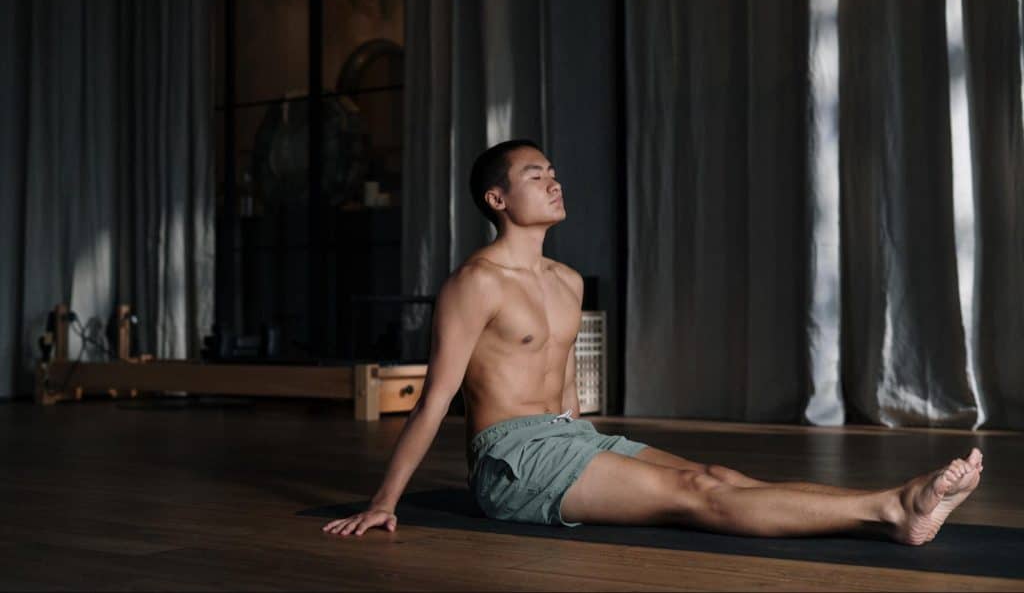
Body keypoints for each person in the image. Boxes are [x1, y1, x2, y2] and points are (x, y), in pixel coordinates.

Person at [323, 139, 983, 545]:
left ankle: (895, 511)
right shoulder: (474, 282)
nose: (553, 180)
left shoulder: (567, 280)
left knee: (721, 477)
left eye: (553, 169)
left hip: (568, 438)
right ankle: (895, 506)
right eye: (533, 174)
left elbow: (567, 393)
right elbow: (435, 401)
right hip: (513, 459)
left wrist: (593, 444)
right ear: (497, 197)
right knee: (695, 492)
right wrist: (382, 503)